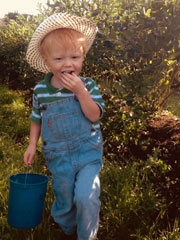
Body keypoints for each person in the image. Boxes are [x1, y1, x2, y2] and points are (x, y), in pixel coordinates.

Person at [24, 12, 104, 240]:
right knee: (65, 199)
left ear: (83, 57)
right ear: (47, 61)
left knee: (86, 196)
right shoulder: (41, 90)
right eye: (59, 59)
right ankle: (68, 230)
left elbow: (95, 116)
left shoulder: (88, 86)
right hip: (58, 156)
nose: (68, 64)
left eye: (75, 57)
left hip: (87, 151)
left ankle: (87, 235)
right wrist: (32, 144)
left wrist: (81, 92)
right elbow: (36, 117)